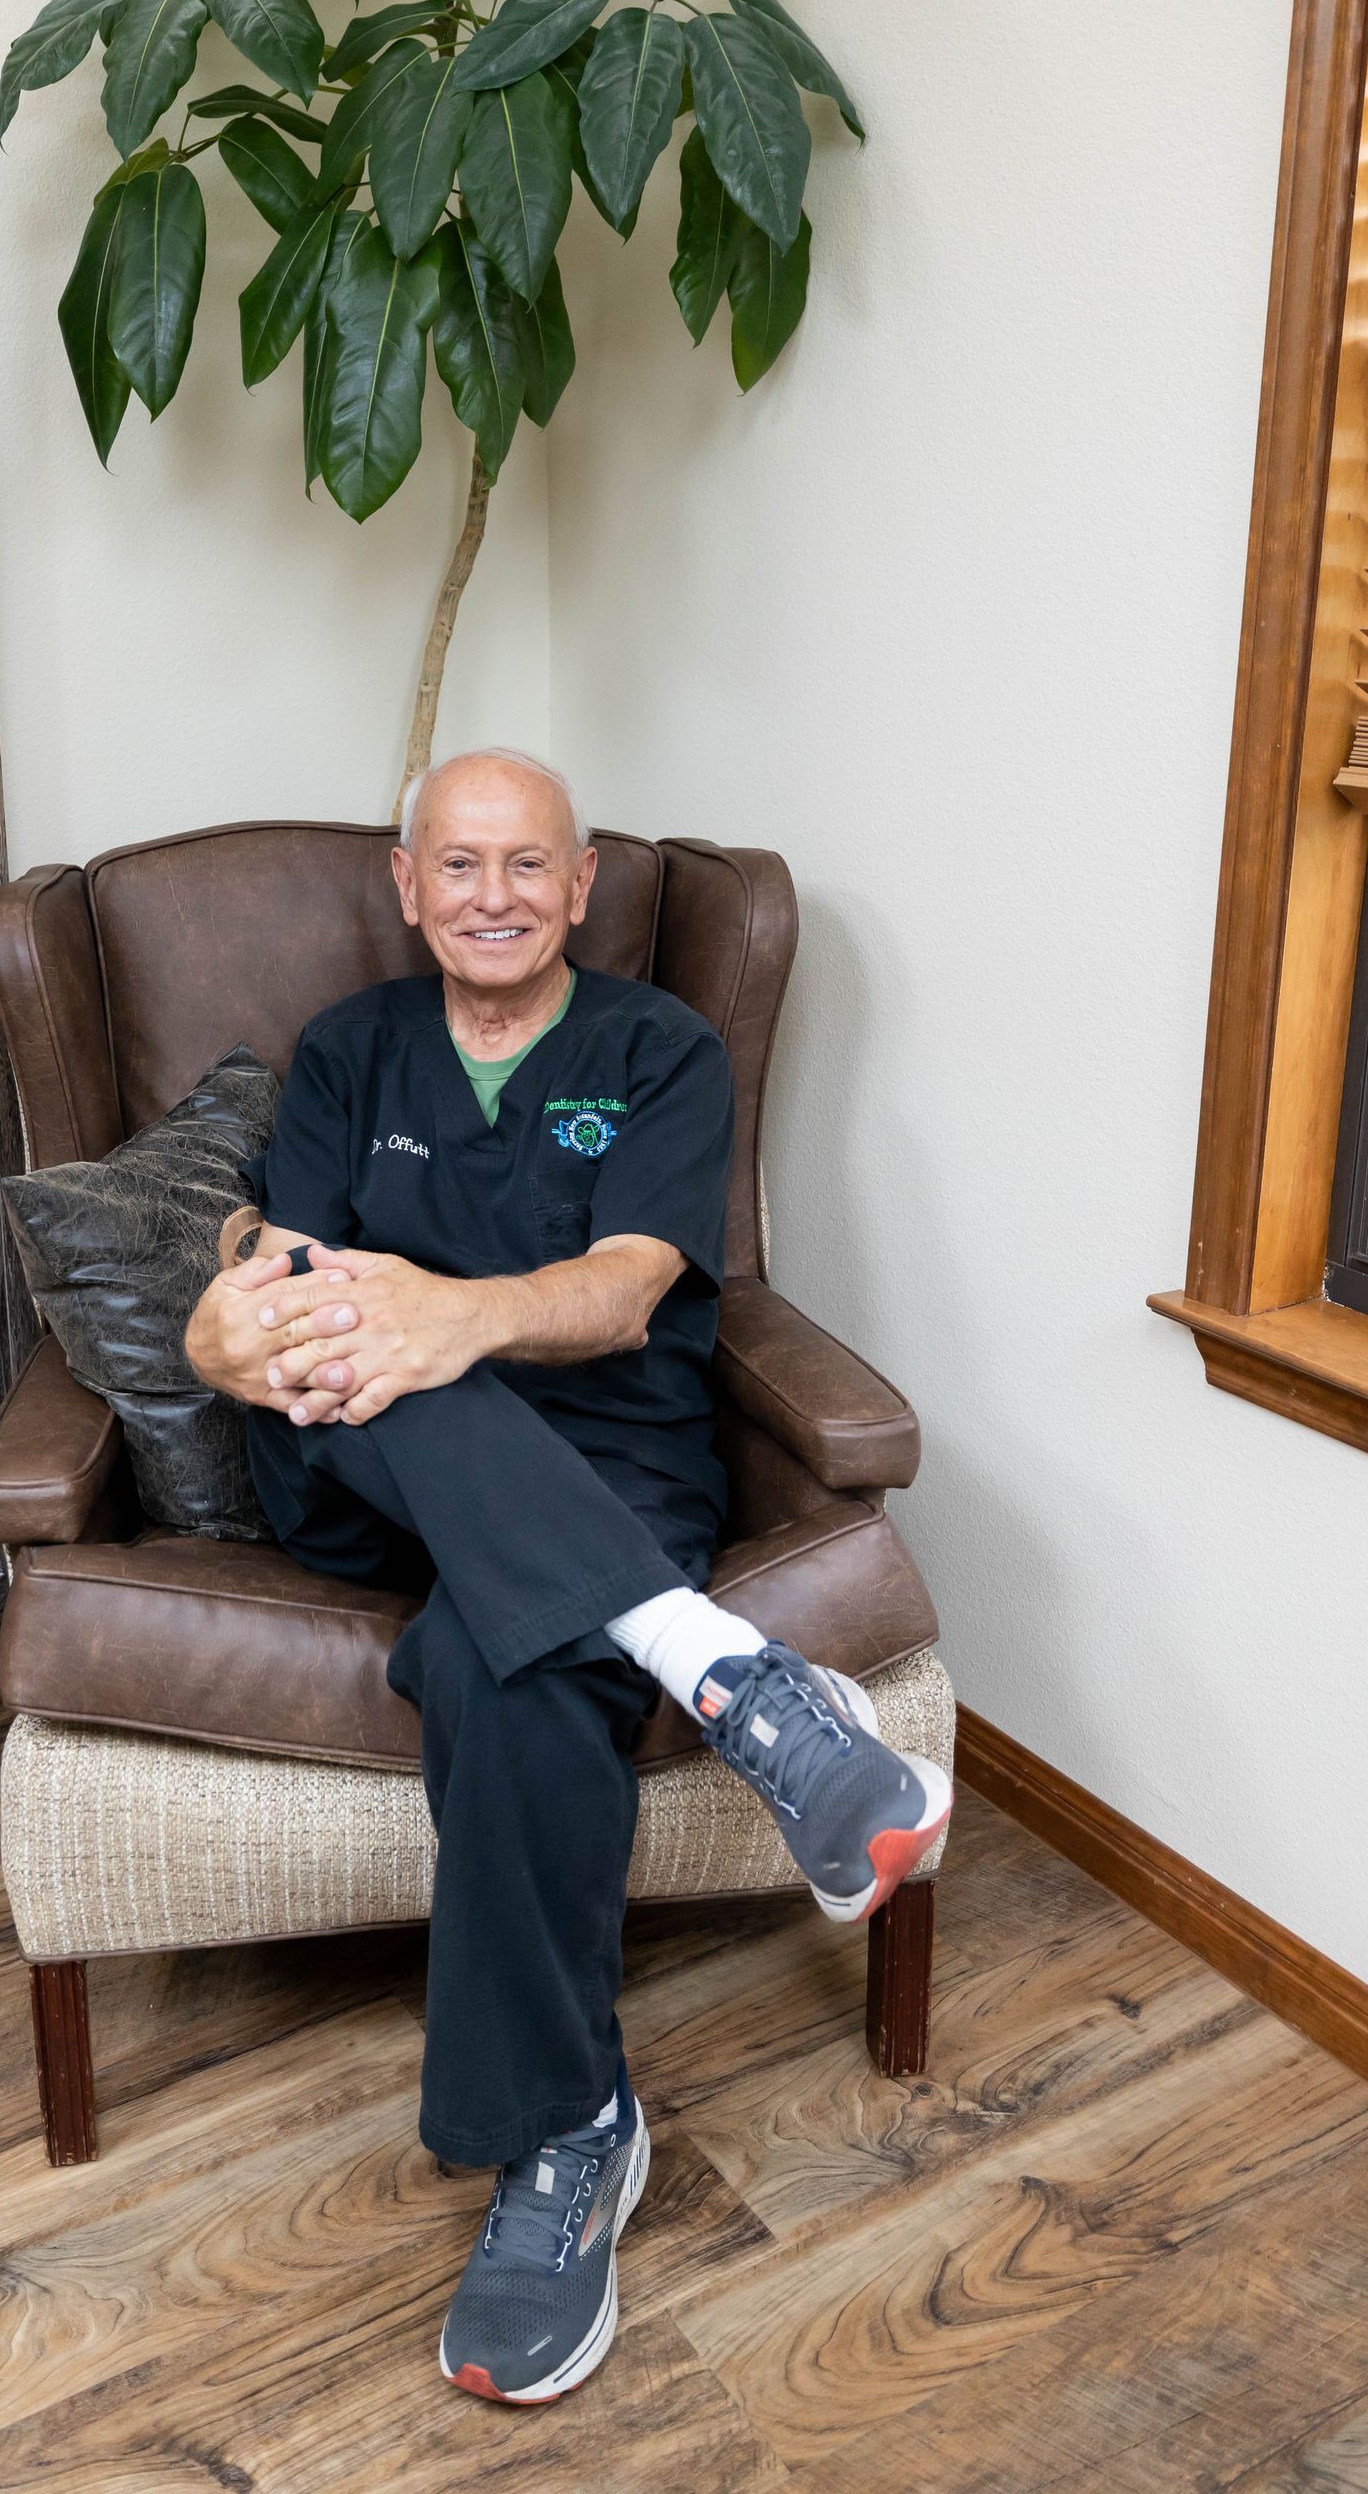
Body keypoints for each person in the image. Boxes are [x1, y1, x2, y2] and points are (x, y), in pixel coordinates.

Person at [183, 750, 950, 2408]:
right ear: (408, 885)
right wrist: (244, 1314)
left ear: (582, 879)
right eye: (458, 866)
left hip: (607, 1463)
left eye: (526, 864)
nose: (493, 896)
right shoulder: (347, 1051)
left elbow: (623, 1293)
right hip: (366, 1472)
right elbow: (284, 1277)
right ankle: (730, 1677)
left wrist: (447, 1313)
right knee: (363, 1355)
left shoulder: (656, 1049)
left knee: (503, 1668)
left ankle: (573, 2132)